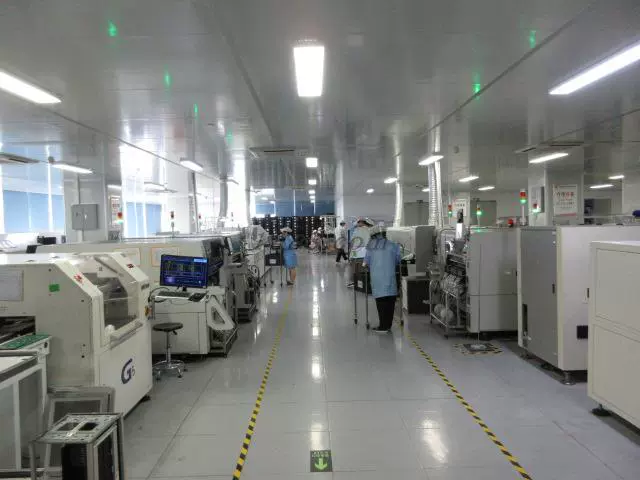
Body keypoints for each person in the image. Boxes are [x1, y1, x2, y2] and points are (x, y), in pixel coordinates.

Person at [363, 225, 401, 333]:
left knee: (381, 302)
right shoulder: (393, 245)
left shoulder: (371, 246)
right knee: (391, 302)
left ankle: (383, 326)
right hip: (390, 277)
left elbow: (366, 262)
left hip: (378, 279)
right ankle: (388, 325)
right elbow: (398, 260)